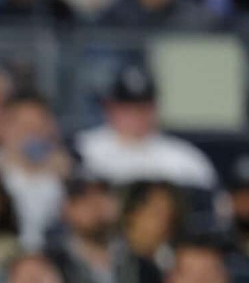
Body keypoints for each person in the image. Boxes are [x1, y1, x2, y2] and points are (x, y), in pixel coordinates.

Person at [74, 64, 217, 191]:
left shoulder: (184, 159)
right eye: (127, 108)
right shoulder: (83, 150)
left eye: (143, 108)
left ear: (155, 108)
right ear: (109, 108)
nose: (136, 115)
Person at [0, 93, 70, 250]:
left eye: (38, 128)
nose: (32, 136)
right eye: (25, 128)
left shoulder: (69, 177)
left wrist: (69, 178)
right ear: (6, 128)